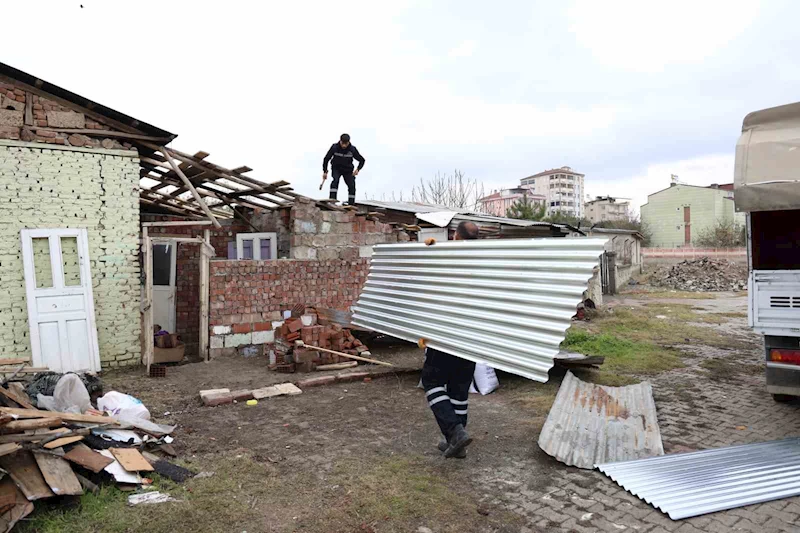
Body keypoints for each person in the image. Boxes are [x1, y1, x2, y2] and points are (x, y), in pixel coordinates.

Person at [421, 220, 480, 459]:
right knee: (459, 389)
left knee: (431, 381)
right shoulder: (485, 260)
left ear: (455, 236)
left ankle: (455, 433)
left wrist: (430, 251)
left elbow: (431, 284)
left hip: (447, 332)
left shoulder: (450, 257)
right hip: (473, 336)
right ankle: (457, 443)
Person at [322, 133, 365, 205]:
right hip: (336, 168)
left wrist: (358, 169)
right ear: (340, 141)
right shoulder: (334, 147)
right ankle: (332, 200)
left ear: (348, 142)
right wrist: (325, 171)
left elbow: (362, 160)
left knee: (352, 185)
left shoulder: (352, 149)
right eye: (343, 143)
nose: (344, 146)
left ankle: (351, 204)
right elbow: (326, 159)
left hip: (348, 170)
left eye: (346, 144)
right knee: (335, 181)